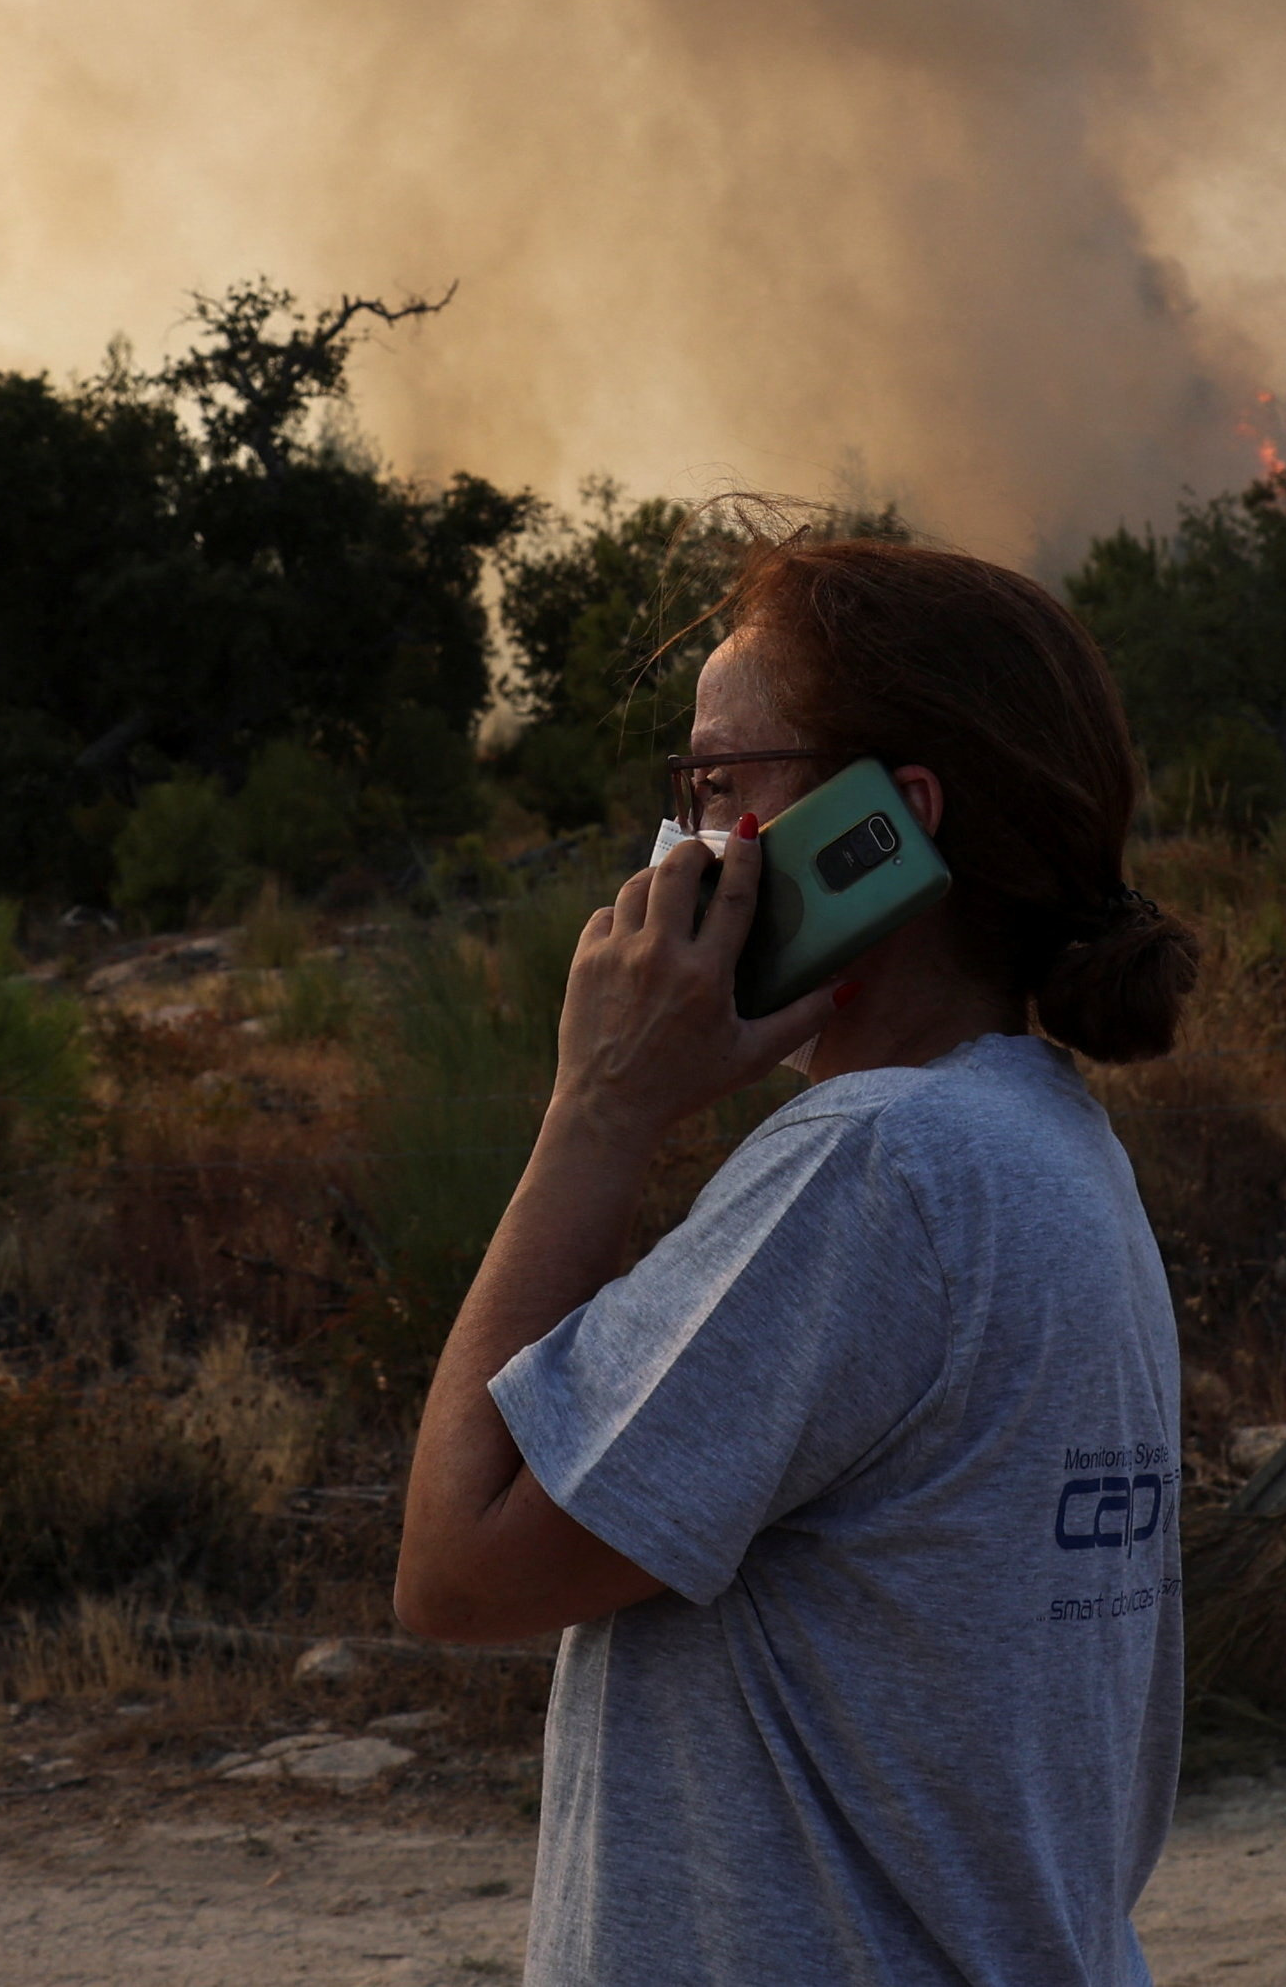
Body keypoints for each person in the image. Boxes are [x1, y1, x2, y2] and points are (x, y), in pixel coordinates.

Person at [394, 533, 1205, 1987]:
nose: (681, 849)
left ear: (882, 831)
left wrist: (600, 1106)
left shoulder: (878, 1169)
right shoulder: (1044, 1146)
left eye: (720, 784)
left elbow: (457, 1566)